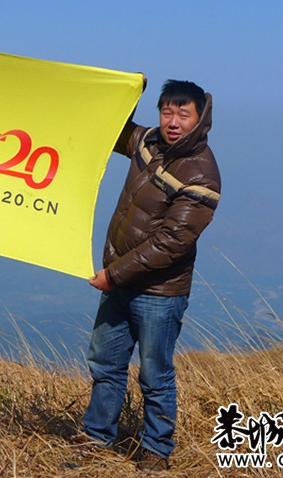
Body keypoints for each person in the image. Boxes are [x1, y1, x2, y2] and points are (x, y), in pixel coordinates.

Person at [74, 80, 221, 471]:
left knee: (155, 374)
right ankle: (96, 437)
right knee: (106, 364)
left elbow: (171, 242)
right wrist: (115, 92)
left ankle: (156, 449)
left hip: (158, 292)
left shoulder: (201, 175)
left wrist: (113, 275)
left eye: (182, 114)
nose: (173, 122)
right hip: (120, 280)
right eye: (167, 112)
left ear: (199, 117)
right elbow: (113, 131)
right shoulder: (149, 142)